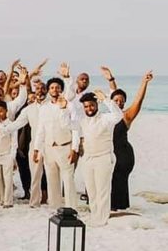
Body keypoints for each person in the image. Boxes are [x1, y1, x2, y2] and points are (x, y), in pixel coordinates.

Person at [63, 91, 123, 226]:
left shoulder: (106, 119)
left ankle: (101, 219)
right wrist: (63, 109)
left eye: (91, 105)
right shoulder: (82, 121)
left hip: (104, 158)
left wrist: (106, 99)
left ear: (96, 105)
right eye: (86, 106)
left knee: (103, 190)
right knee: (91, 191)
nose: (89, 109)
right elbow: (66, 124)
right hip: (88, 159)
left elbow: (118, 115)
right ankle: (95, 216)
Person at [105, 69, 152, 211]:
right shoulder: (108, 116)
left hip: (124, 155)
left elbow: (138, 100)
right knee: (109, 179)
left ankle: (118, 207)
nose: (119, 103)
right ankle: (112, 206)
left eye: (122, 101)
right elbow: (114, 94)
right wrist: (111, 80)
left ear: (125, 104)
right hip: (110, 153)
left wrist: (144, 83)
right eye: (116, 101)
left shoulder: (126, 116)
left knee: (119, 180)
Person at [33, 76, 79, 208]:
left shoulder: (69, 106)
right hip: (48, 149)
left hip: (65, 147)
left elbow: (76, 128)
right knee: (52, 181)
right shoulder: (44, 108)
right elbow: (41, 130)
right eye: (52, 88)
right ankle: (55, 208)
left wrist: (74, 149)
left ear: (61, 89)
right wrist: (37, 149)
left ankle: (72, 209)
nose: (55, 90)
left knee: (68, 181)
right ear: (48, 90)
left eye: (57, 87)